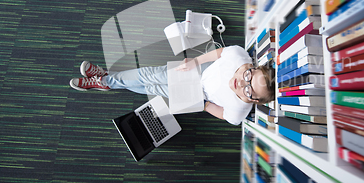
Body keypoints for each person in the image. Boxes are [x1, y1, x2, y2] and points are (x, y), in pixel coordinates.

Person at [69, 46, 275, 125]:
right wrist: (195, 62)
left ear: (253, 100)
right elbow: (220, 53)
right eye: (249, 74)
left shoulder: (239, 111)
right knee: (148, 75)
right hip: (198, 71)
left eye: (248, 90)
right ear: (253, 67)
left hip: (197, 93)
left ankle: (105, 81)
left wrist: (202, 105)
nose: (240, 82)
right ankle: (106, 81)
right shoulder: (239, 56)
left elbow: (223, 114)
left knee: (152, 86)